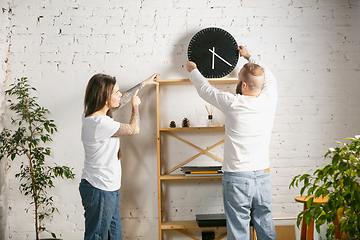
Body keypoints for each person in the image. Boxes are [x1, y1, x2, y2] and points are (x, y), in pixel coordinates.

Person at [186, 45, 278, 240]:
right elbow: (268, 76)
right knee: (266, 226)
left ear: (244, 85)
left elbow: (205, 90)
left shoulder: (233, 103)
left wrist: (193, 70)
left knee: (238, 230)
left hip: (237, 178)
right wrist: (249, 57)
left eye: (239, 79)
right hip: (262, 176)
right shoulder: (270, 100)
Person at [79, 73, 159, 240]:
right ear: (105, 98)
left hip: (107, 188)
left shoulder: (95, 116)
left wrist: (142, 84)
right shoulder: (101, 123)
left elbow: (119, 102)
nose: (120, 95)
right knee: (97, 236)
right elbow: (134, 129)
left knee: (113, 236)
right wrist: (135, 106)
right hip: (99, 189)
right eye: (116, 92)